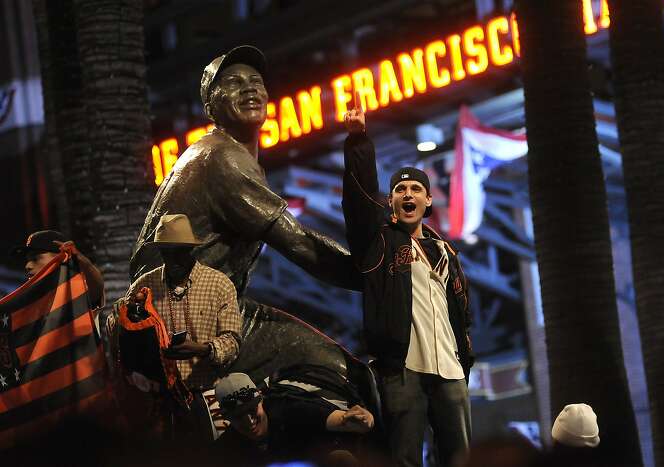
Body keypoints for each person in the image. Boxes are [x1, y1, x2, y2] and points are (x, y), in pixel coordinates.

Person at [130, 44, 357, 296]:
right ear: (210, 109)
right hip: (175, 312)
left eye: (256, 81)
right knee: (309, 339)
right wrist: (372, 276)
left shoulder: (222, 153)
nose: (249, 88)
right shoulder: (220, 155)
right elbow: (299, 243)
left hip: (200, 303)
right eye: (234, 82)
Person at [342, 95, 474, 466]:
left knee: (461, 459)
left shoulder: (444, 250)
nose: (408, 194)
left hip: (450, 369)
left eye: (415, 189)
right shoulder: (379, 242)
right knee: (404, 460)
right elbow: (358, 200)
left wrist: (464, 356)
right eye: (400, 189)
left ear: (429, 200)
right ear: (391, 201)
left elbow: (461, 311)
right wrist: (358, 142)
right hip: (402, 369)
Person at [124, 214, 242, 392]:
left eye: (179, 251)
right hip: (159, 394)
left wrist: (203, 349)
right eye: (166, 252)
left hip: (206, 392)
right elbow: (125, 337)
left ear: (190, 250)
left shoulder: (219, 285)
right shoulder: (143, 286)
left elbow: (232, 343)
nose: (172, 259)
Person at [214, 372, 374, 465]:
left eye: (251, 410)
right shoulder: (228, 447)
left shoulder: (290, 409)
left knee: (341, 458)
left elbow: (348, 421)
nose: (249, 421)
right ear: (226, 417)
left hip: (317, 460)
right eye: (238, 416)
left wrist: (365, 419)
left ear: (261, 400)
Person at [12, 229, 105, 308]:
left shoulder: (75, 292)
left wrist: (82, 260)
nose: (27, 266)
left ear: (61, 257)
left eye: (35, 258)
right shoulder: (28, 303)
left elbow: (96, 290)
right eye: (27, 260)